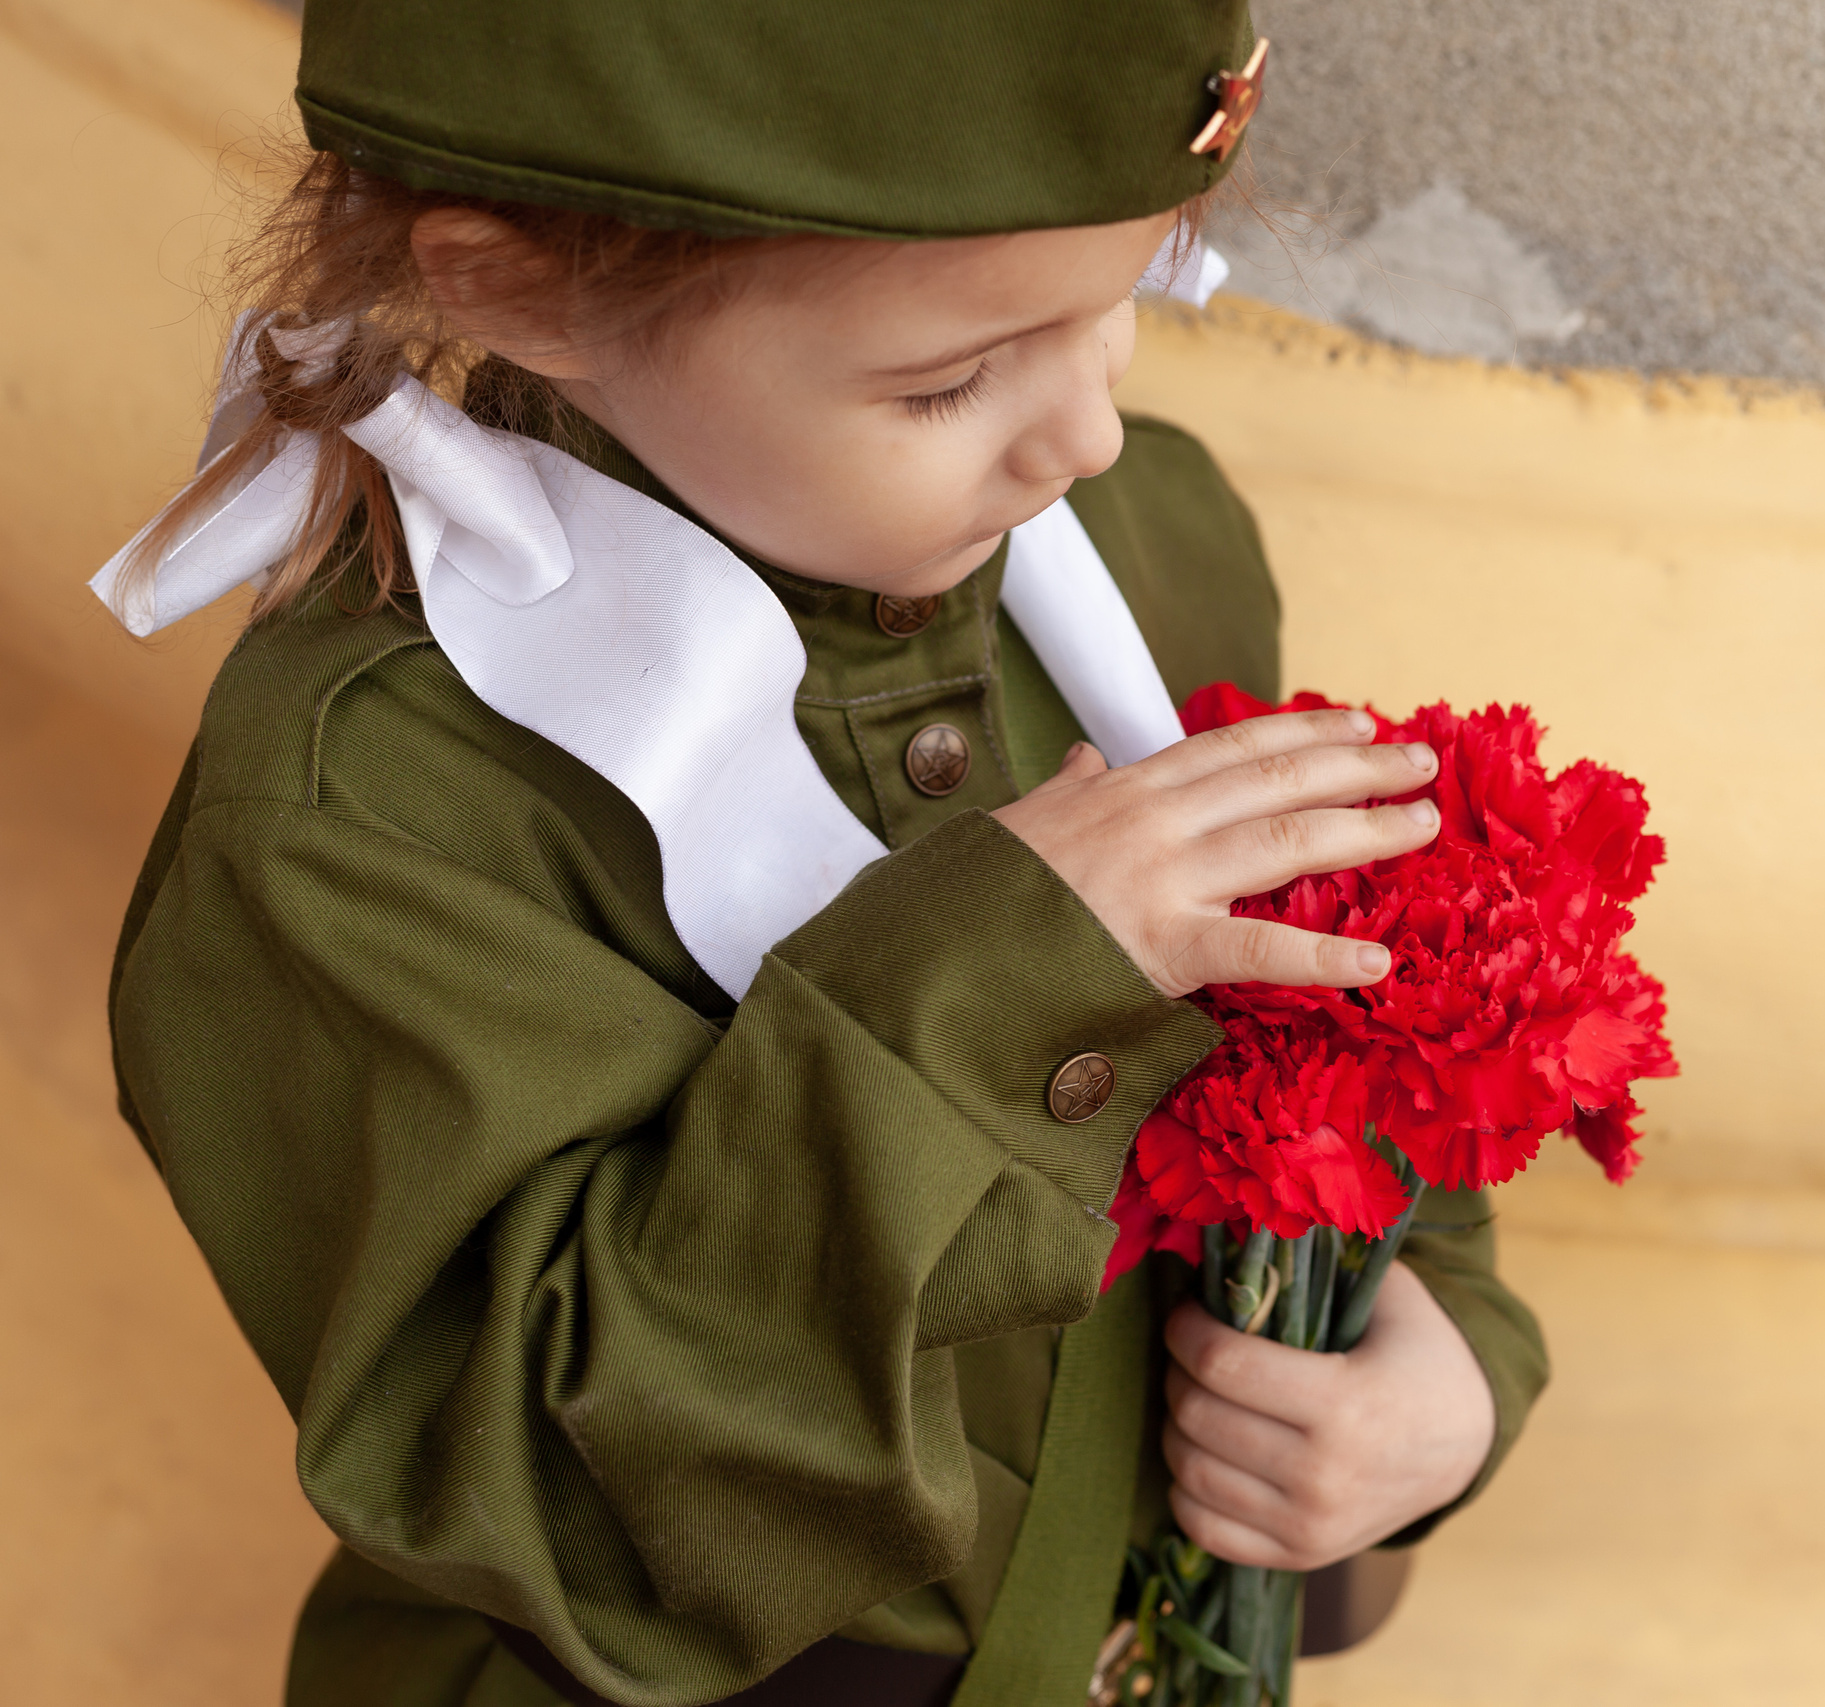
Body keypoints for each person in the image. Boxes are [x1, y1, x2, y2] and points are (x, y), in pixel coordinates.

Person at [96, 4, 1547, 1704]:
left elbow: (1321, 1082)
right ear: (523, 288)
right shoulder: (370, 811)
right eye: (945, 379)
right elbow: (559, 1503)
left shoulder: (1152, 538)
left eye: (1127, 306)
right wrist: (993, 983)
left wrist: (1438, 1370)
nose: (1081, 438)